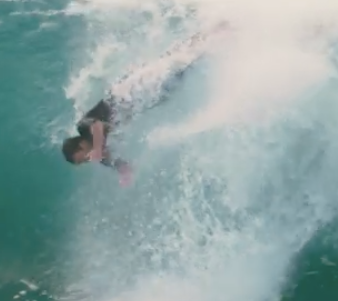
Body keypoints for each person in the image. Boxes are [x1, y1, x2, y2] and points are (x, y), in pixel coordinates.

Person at [61, 22, 231, 187]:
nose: (87, 160)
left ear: (81, 145)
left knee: (172, 63)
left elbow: (97, 125)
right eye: (83, 162)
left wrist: (98, 148)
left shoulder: (83, 127)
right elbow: (121, 165)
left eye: (82, 158)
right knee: (177, 77)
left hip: (129, 91)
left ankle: (217, 29)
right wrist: (125, 173)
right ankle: (216, 41)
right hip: (142, 103)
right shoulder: (102, 156)